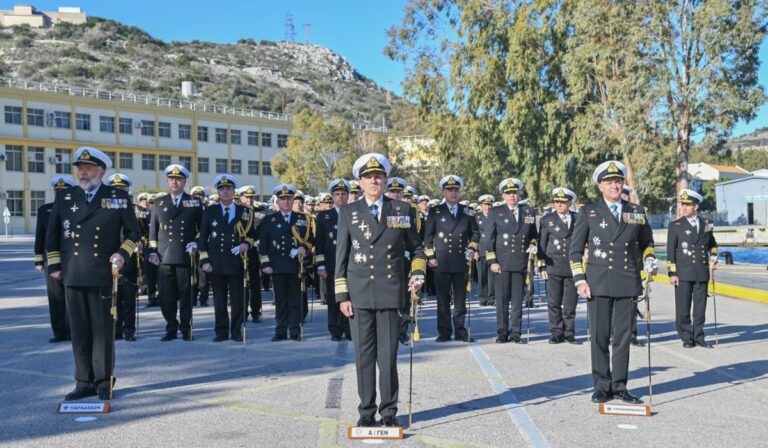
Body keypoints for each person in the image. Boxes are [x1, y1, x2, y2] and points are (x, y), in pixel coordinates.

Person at [336, 153, 426, 427]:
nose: (374, 181)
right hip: (360, 293)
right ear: (360, 182)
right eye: (368, 177)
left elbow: (417, 248)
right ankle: (366, 412)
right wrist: (342, 295)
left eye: (379, 176)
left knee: (387, 358)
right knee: (364, 357)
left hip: (390, 293)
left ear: (386, 180)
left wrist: (418, 272)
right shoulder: (349, 212)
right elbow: (341, 255)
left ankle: (389, 413)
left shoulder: (402, 210)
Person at [46, 146, 141, 401]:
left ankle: (103, 380)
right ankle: (83, 381)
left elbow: (134, 231)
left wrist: (122, 253)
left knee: (102, 331)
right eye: (80, 168)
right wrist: (55, 266)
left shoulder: (117, 197)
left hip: (102, 273)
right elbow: (52, 235)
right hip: (73, 273)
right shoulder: (65, 197)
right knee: (79, 331)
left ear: (102, 171)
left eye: (88, 168)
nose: (83, 173)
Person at [569, 160, 656, 404]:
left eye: (618, 181)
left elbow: (647, 243)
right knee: (598, 336)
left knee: (622, 337)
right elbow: (574, 251)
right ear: (600, 186)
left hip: (627, 281)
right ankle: (601, 385)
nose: (614, 185)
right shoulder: (589, 212)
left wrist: (649, 260)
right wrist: (579, 280)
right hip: (597, 282)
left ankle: (619, 386)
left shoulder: (636, 211)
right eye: (609, 182)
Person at [148, 165, 203, 341]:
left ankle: (186, 328)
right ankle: (171, 327)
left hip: (184, 255)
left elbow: (203, 228)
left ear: (184, 182)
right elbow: (153, 232)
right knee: (166, 296)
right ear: (168, 181)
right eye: (172, 179)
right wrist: (153, 252)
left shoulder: (194, 202)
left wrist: (196, 242)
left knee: (186, 295)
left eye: (179, 179)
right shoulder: (159, 202)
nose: (175, 182)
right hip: (164, 256)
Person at [199, 175, 257, 342]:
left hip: (237, 261)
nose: (225, 191)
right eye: (222, 189)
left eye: (228, 189)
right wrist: (204, 260)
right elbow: (203, 238)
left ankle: (237, 330)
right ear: (218, 192)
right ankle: (221, 331)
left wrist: (246, 243)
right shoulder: (210, 211)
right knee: (219, 300)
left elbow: (253, 234)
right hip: (216, 262)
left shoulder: (245, 211)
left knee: (238, 299)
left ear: (233, 192)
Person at [483, 178, 539, 343]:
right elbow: (489, 238)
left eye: (514, 193)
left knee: (517, 300)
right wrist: (492, 261)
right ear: (503, 195)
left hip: (520, 262)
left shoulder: (528, 211)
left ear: (519, 194)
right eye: (508, 193)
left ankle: (515, 332)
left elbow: (533, 235)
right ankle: (502, 332)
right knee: (501, 300)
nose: (512, 196)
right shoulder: (496, 212)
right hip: (501, 263)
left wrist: (533, 245)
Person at [424, 175, 479, 342]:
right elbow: (428, 237)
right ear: (443, 192)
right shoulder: (435, 211)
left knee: (460, 301)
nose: (453, 193)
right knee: (443, 300)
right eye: (449, 190)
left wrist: (471, 247)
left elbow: (475, 233)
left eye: (456, 190)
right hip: (441, 261)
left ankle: (461, 331)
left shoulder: (467, 211)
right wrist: (430, 256)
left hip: (461, 261)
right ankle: (444, 332)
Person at [259, 184, 315, 341]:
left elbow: (310, 239)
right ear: (277, 201)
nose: (286, 202)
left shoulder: (303, 219)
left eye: (289, 199)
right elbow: (263, 244)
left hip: (295, 265)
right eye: (282, 199)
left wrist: (304, 248)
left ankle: (295, 330)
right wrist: (265, 264)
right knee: (281, 300)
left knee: (295, 299)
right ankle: (280, 330)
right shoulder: (269, 220)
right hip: (276, 265)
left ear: (292, 201)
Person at [667, 189, 718, 348]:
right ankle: (686, 336)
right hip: (683, 272)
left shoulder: (706, 225)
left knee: (700, 307)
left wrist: (714, 255)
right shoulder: (675, 225)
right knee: (683, 307)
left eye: (687, 205)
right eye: (683, 204)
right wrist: (672, 273)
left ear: (695, 206)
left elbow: (712, 244)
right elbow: (670, 252)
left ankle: (699, 336)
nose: (683, 208)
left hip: (701, 272)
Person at [34, 176, 74, 343]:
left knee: (72, 297)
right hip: (50, 259)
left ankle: (73, 331)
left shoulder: (76, 208)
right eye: (57, 191)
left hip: (72, 259)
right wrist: (38, 260)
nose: (60, 194)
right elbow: (40, 235)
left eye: (63, 191)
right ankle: (59, 332)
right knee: (55, 297)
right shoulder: (45, 210)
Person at [538, 188, 578, 344]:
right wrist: (542, 267)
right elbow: (542, 244)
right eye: (556, 202)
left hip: (572, 266)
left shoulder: (578, 218)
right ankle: (556, 332)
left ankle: (569, 332)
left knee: (570, 302)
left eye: (562, 202)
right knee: (554, 302)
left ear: (569, 202)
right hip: (553, 265)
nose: (559, 204)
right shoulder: (547, 220)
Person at [315, 179, 352, 341]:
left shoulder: (355, 213)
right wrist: (320, 265)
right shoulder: (324, 216)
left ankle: (350, 329)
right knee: (333, 298)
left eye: (344, 194)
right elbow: (320, 243)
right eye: (337, 194)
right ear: (332, 196)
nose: (341, 197)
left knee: (351, 298)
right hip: (331, 264)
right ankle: (335, 330)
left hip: (352, 264)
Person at [104, 174, 139, 341]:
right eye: (115, 189)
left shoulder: (133, 210)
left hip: (128, 258)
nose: (118, 192)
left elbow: (138, 232)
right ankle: (115, 329)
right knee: (113, 298)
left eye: (122, 190)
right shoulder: (103, 210)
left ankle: (129, 330)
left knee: (128, 297)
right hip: (109, 260)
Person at [237, 185, 267, 323]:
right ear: (241, 197)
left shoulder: (259, 212)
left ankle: (256, 311)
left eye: (251, 197)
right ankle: (242, 312)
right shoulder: (237, 210)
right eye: (246, 197)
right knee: (241, 283)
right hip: (240, 250)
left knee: (255, 283)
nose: (249, 200)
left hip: (254, 250)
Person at [475, 194, 495, 307]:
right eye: (485, 205)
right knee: (482, 275)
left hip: (492, 250)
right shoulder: (476, 217)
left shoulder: (495, 216)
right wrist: (475, 250)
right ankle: (482, 298)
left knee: (492, 275)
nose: (488, 207)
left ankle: (491, 297)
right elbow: (474, 235)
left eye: (489, 204)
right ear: (481, 206)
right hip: (481, 249)